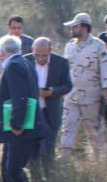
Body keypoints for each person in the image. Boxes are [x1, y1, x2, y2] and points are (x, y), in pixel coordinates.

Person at [0, 36, 49, 182]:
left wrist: (16, 124)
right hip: (25, 127)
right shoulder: (25, 62)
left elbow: (21, 97)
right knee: (7, 169)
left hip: (20, 129)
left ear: (2, 52)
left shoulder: (13, 66)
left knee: (13, 171)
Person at [61, 13, 107, 157]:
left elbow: (105, 67)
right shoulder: (69, 46)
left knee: (93, 129)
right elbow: (65, 68)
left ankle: (98, 161)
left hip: (91, 97)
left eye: (75, 26)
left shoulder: (98, 45)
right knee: (68, 126)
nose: (72, 29)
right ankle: (64, 159)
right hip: (71, 95)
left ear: (84, 27)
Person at [23, 37, 73, 165]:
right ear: (32, 50)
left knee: (50, 140)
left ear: (50, 50)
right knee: (32, 141)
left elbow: (68, 85)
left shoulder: (61, 62)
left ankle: (49, 170)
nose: (40, 59)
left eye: (44, 56)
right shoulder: (25, 60)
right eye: (37, 55)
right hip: (32, 107)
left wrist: (52, 92)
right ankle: (34, 169)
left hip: (52, 108)